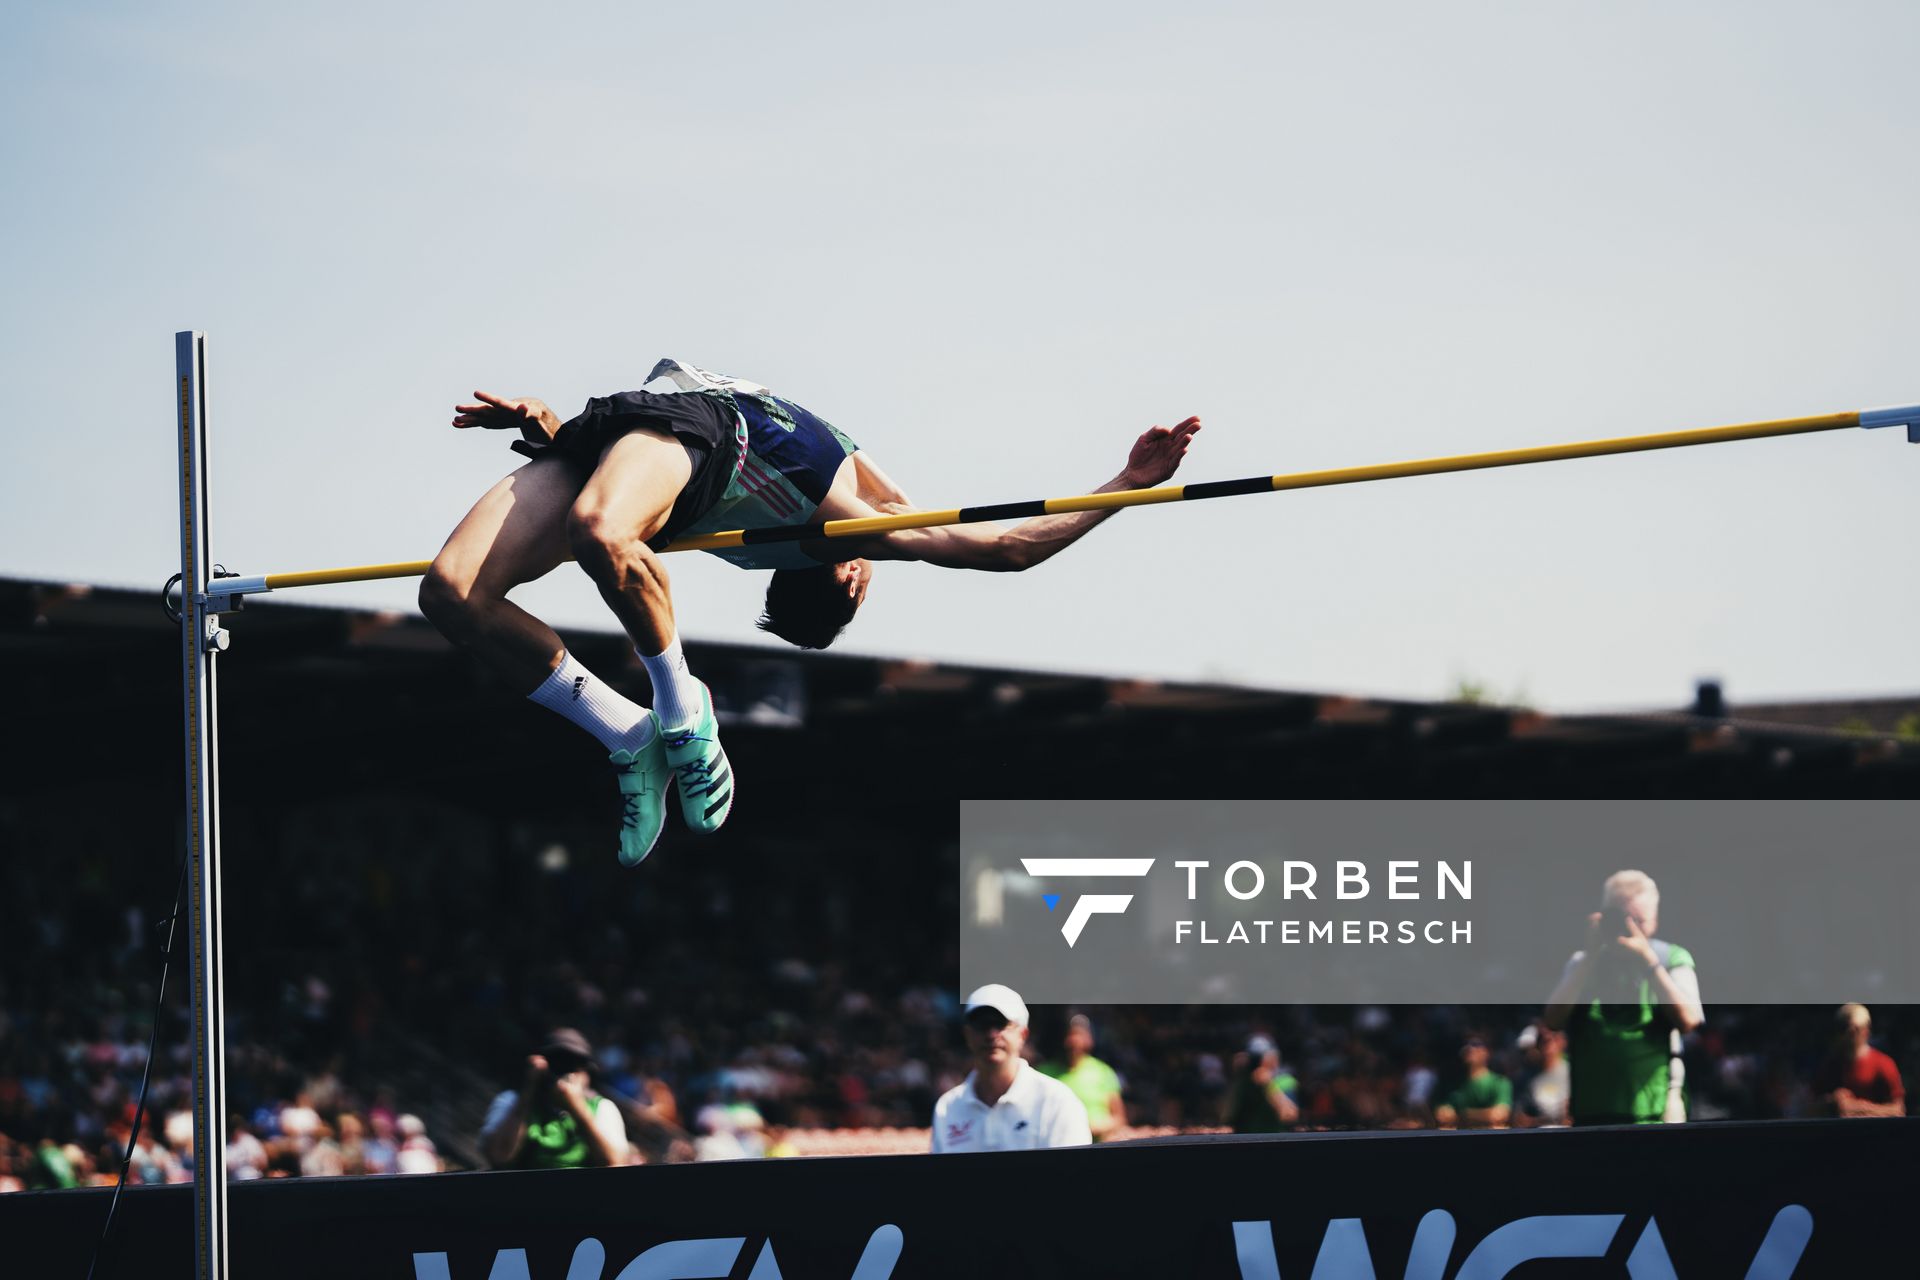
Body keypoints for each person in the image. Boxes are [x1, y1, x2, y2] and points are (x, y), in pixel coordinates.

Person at [418, 360, 1201, 865]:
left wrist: (1129, 483)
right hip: (644, 432)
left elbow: (1010, 549)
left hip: (692, 434)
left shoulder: (859, 529)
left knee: (596, 535)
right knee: (450, 593)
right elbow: (1008, 547)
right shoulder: (861, 515)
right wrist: (553, 429)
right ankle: (635, 733)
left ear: (848, 580)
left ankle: (677, 712)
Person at [1543, 870, 1704, 1126]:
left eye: (1639, 920)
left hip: (1656, 1109)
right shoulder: (1582, 963)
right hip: (1592, 1112)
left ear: (1655, 921)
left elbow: (1689, 1020)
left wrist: (1648, 962)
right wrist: (1590, 956)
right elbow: (1553, 1020)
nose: (1630, 929)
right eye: (1621, 919)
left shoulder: (1671, 959)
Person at [930, 985, 1092, 1153]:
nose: (991, 1035)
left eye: (1000, 1024)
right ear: (967, 1034)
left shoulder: (1056, 1101)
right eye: (981, 1025)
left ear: (1022, 1034)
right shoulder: (947, 1108)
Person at [479, 1029, 630, 1170]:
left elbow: (614, 1164)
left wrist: (577, 1108)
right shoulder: (511, 1100)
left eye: (573, 1066)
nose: (564, 1073)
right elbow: (497, 1157)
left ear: (587, 1074)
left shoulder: (603, 1108)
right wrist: (528, 1092)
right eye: (557, 1063)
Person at [1038, 1013, 1127, 1140]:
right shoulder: (1045, 1073)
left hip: (1097, 1145)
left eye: (1079, 1035)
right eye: (1070, 1035)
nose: (1074, 1041)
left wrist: (1099, 1126)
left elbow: (1119, 1118)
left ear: (1089, 1039)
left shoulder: (1103, 1072)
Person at [1814, 1004, 1906, 1118]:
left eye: (1853, 1030)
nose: (1847, 1034)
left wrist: (1858, 1108)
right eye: (1842, 1028)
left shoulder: (1883, 1064)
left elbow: (1899, 1110)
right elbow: (1810, 1106)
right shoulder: (1830, 1065)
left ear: (1865, 1030)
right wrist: (1832, 1102)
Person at [1433, 1036, 1513, 1129]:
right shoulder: (1454, 1084)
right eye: (1466, 1045)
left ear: (1488, 1052)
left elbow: (1500, 1115)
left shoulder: (1499, 1082)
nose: (1470, 1048)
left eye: (1476, 1044)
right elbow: (1442, 1114)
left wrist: (1464, 1115)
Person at [1223, 1035, 1299, 1133]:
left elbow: (1290, 1115)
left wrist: (1268, 1086)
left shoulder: (1285, 1080)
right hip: (1246, 1137)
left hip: (1271, 1138)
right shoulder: (1244, 1082)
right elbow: (1227, 1116)